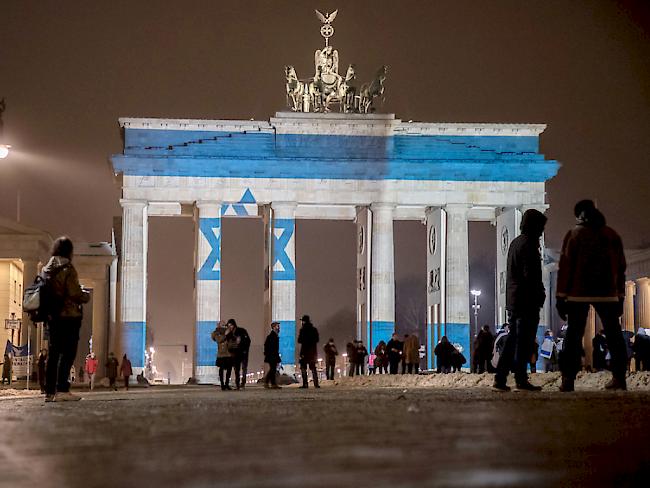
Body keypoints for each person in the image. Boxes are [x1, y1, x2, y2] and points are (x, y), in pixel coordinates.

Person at [556, 200, 628, 392]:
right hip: (607, 293)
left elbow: (565, 267)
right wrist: (620, 295)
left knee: (573, 336)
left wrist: (560, 296)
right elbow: (621, 267)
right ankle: (620, 378)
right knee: (614, 336)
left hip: (577, 293)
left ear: (579, 215)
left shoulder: (574, 235)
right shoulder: (611, 235)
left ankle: (568, 379)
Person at [493, 209, 547, 392]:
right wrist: (539, 293)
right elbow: (530, 275)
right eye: (540, 226)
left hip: (516, 299)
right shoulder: (529, 244)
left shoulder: (516, 242)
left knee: (513, 340)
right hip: (526, 300)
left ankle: (501, 378)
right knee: (524, 341)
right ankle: (520, 379)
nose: (541, 231)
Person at [43, 236, 91, 402]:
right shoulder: (68, 268)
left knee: (53, 353)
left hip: (52, 316)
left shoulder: (47, 268)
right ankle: (62, 389)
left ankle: (49, 392)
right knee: (68, 353)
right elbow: (74, 293)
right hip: (69, 316)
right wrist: (85, 295)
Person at [225, 319, 250, 390]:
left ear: (234, 325)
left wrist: (244, 349)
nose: (230, 327)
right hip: (235, 353)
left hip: (243, 353)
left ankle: (243, 383)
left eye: (231, 325)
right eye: (228, 325)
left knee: (244, 368)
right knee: (236, 369)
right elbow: (227, 343)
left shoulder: (241, 331)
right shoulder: (229, 333)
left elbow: (248, 340)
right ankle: (237, 384)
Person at [297, 315, 319, 388]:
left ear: (304, 321)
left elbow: (299, 340)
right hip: (312, 351)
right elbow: (317, 339)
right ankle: (316, 384)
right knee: (313, 367)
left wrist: (305, 340)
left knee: (303, 368)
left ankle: (305, 384)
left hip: (304, 351)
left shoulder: (303, 330)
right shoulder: (314, 329)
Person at [211, 321, 232, 390]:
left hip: (229, 353)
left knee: (229, 369)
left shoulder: (229, 332)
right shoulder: (217, 333)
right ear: (219, 326)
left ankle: (227, 383)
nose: (224, 326)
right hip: (221, 354)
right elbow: (219, 340)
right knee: (221, 369)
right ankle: (222, 384)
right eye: (222, 324)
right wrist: (225, 335)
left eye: (224, 324)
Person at [263, 322, 281, 388]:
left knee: (273, 369)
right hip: (272, 355)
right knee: (272, 369)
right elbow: (270, 347)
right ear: (273, 327)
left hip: (272, 355)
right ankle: (268, 382)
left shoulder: (274, 336)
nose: (279, 328)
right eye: (277, 326)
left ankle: (272, 383)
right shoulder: (272, 336)